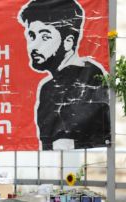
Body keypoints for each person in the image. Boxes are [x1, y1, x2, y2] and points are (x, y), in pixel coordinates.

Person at [18, 0, 110, 150]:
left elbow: (62, 145)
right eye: (32, 36)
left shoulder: (83, 78)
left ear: (68, 42)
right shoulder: (53, 85)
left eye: (45, 37)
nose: (34, 46)